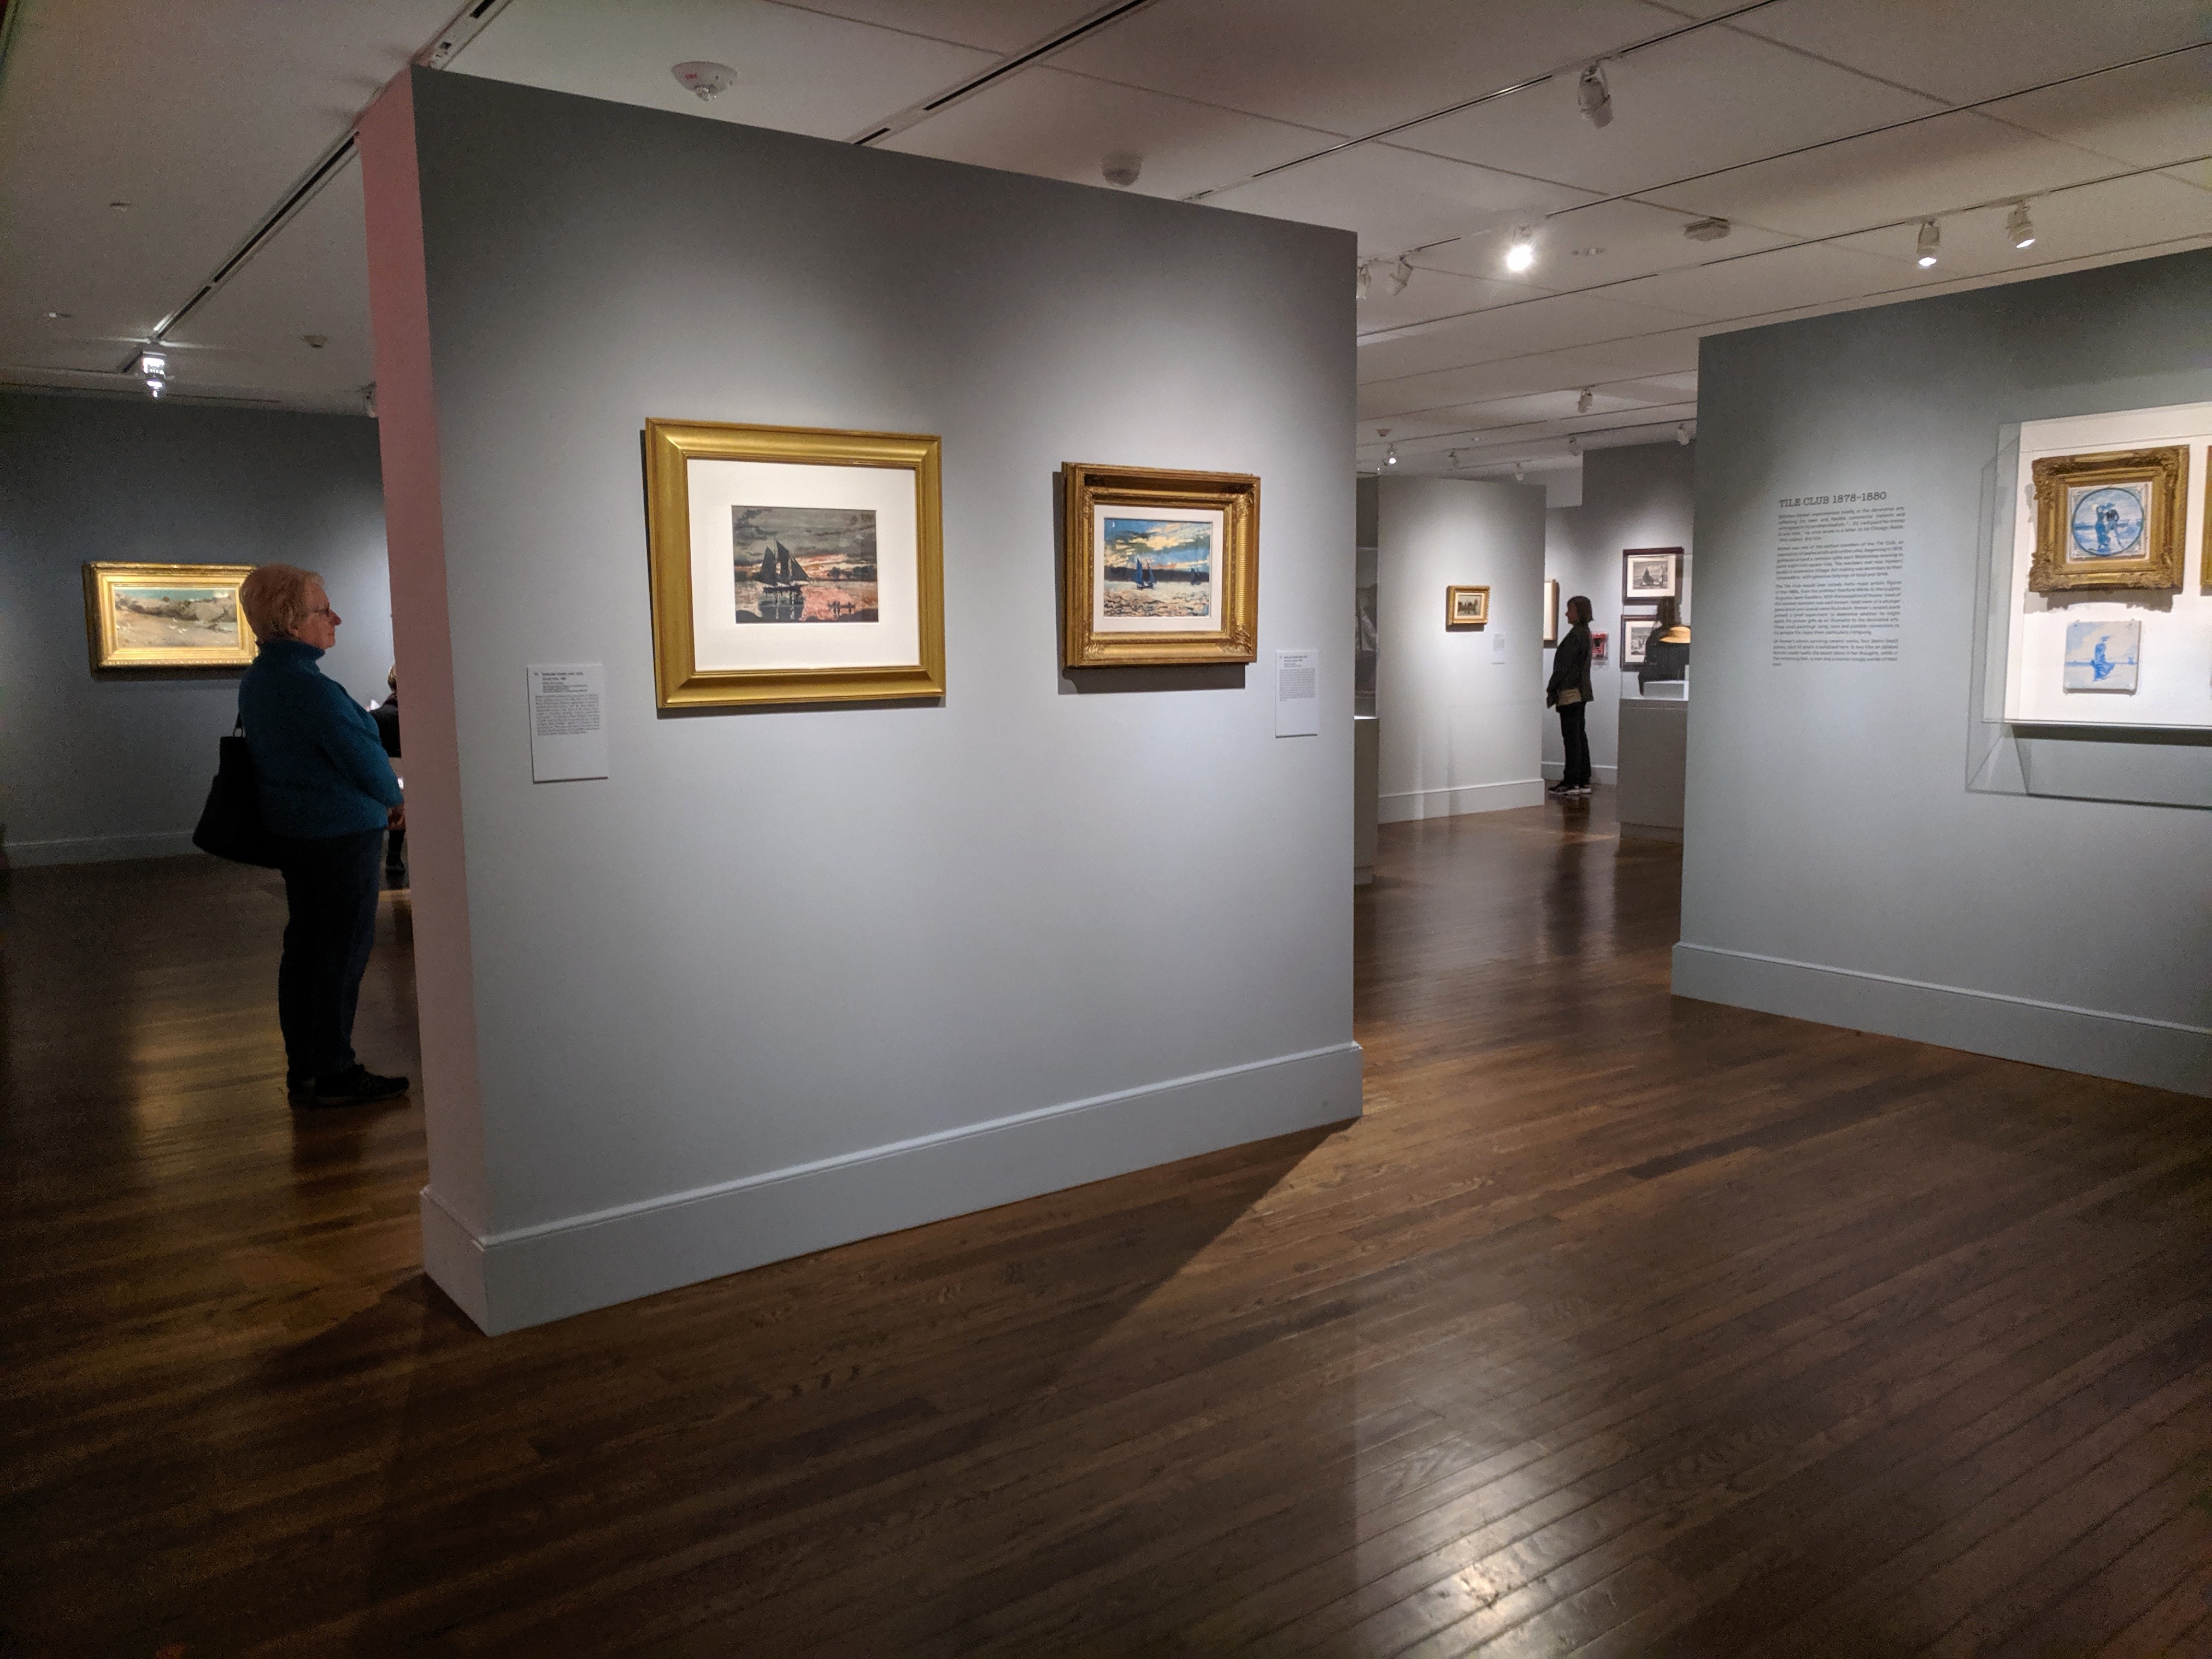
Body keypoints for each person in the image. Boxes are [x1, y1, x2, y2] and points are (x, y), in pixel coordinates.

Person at [236, 565, 410, 1107]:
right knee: (339, 952)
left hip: (300, 832)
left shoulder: (263, 677)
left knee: (308, 949)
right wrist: (395, 797)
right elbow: (363, 757)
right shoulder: (307, 686)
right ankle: (334, 1070)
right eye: (322, 609)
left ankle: (306, 1066)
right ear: (291, 620)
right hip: (339, 835)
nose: (335, 618)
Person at [1546, 593, 1595, 799]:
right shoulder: (1585, 633)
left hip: (1570, 693)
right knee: (1579, 736)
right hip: (1581, 692)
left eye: (1570, 609)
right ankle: (1582, 779)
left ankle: (1572, 781)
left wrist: (1552, 688)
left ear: (1579, 612)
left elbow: (1563, 668)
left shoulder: (1576, 635)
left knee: (1572, 738)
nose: (1567, 613)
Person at [372, 666, 405, 881]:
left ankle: (391, 858)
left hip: (385, 780)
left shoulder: (375, 717)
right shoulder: (418, 718)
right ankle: (394, 857)